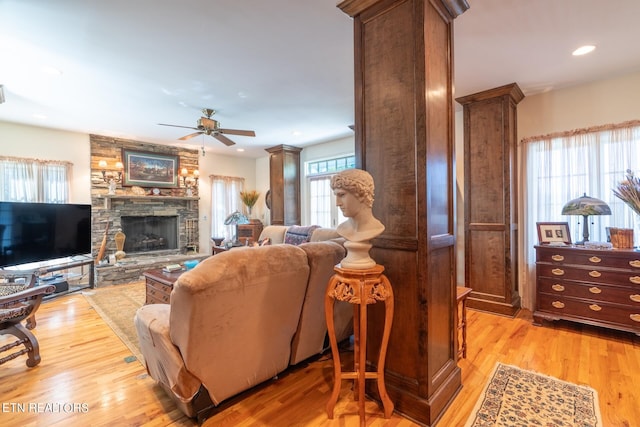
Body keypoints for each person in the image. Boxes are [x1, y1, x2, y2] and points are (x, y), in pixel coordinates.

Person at [330, 169, 385, 243]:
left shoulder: (376, 228)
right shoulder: (342, 229)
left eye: (342, 195)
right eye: (336, 196)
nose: (337, 203)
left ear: (361, 194)